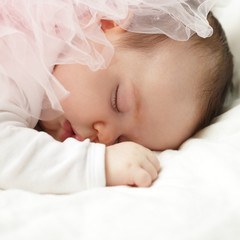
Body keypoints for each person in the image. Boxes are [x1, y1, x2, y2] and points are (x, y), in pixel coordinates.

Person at [0, 0, 233, 193]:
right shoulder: (20, 54)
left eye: (122, 142)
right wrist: (99, 165)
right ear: (103, 24)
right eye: (117, 102)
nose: (105, 137)